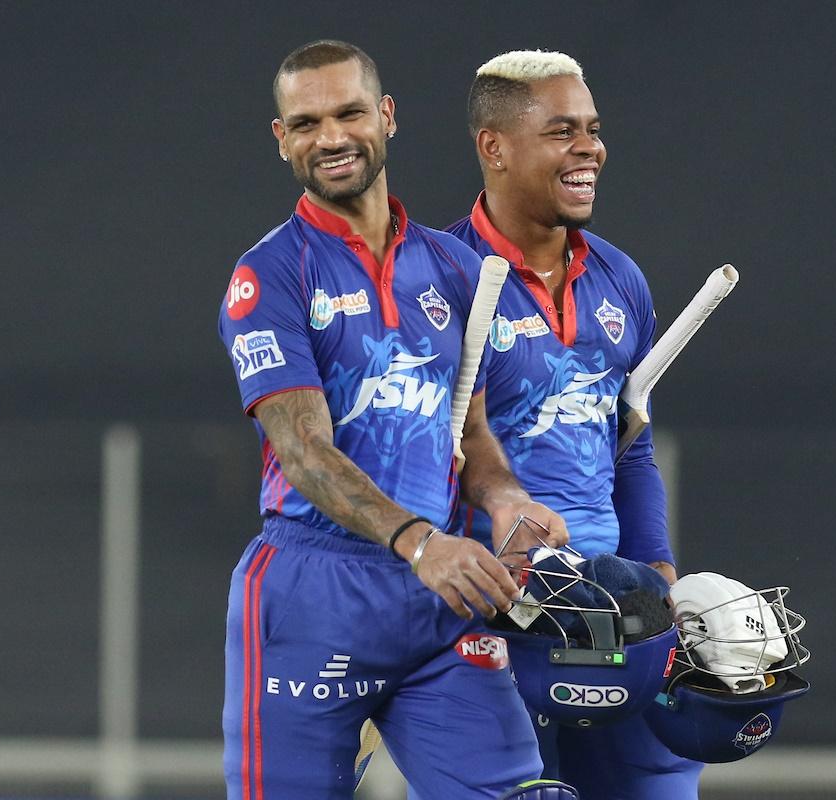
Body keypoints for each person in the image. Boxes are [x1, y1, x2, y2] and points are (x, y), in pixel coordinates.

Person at [217, 40, 572, 800]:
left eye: (348, 113)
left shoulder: (453, 268)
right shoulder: (270, 275)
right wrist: (419, 543)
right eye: (306, 123)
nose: (332, 137)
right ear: (283, 140)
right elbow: (305, 453)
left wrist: (505, 498)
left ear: (386, 117)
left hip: (442, 599)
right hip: (313, 591)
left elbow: (469, 434)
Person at [445, 50, 705, 798]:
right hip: (496, 618)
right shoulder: (437, 279)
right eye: (563, 131)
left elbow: (631, 447)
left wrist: (658, 571)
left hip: (614, 614)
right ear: (493, 147)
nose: (590, 147)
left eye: (592, 129)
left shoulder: (622, 280)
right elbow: (416, 455)